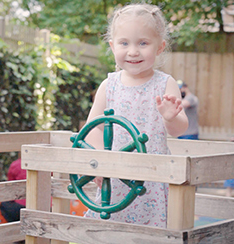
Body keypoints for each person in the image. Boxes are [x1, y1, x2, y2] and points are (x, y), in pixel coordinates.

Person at [83, 3, 188, 228]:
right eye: (124, 43)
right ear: (112, 46)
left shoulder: (164, 84)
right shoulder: (108, 86)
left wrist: (171, 117)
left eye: (143, 43)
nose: (132, 51)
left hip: (152, 181)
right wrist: (100, 161)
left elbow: (180, 130)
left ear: (160, 47)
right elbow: (93, 128)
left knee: (151, 235)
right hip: (116, 179)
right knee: (111, 233)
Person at [0, 157, 26, 222]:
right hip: (46, 206)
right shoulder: (46, 164)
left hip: (21, 206)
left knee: (3, 205)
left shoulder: (16, 164)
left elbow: (10, 189)